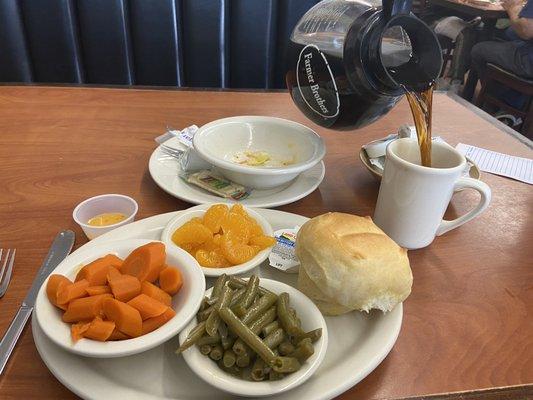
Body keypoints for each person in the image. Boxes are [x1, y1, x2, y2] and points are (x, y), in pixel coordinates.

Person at [470, 0, 533, 79]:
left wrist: (513, 8)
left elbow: (526, 31)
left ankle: (492, 90)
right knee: (510, 33)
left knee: (478, 49)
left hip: (529, 61)